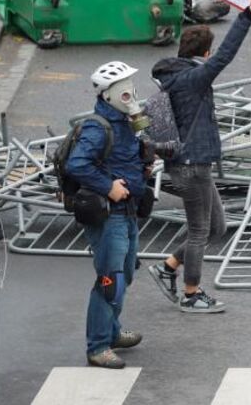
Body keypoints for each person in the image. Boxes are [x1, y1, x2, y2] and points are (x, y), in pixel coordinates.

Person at [147, 3, 251, 313]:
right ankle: (191, 293)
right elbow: (226, 55)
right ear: (205, 54)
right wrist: (245, 17)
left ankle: (168, 266)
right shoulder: (193, 79)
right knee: (200, 230)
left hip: (192, 163)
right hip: (192, 165)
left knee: (217, 227)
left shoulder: (176, 75)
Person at [68, 61, 148, 369]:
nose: (131, 95)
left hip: (127, 211)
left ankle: (111, 331)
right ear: (108, 94)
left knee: (124, 274)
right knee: (109, 279)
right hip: (109, 214)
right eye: (124, 90)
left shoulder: (124, 122)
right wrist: (109, 186)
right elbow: (78, 164)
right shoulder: (97, 127)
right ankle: (98, 345)